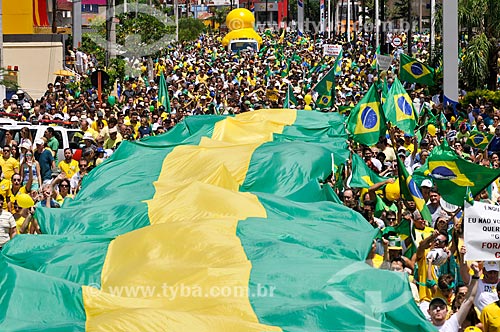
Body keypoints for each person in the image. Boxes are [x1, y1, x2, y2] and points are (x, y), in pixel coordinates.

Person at [428, 263, 480, 331]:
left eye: (441, 307)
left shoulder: (453, 323)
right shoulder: (423, 328)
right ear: (429, 312)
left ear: (447, 311)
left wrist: (476, 276)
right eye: (434, 307)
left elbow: (469, 299)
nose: (438, 309)